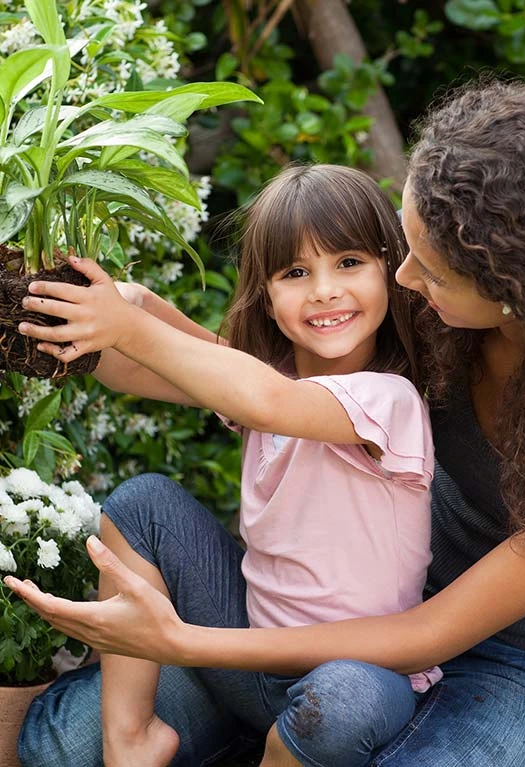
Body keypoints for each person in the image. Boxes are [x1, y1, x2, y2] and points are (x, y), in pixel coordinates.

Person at [7, 79, 525, 767]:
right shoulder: (426, 310)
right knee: (61, 744)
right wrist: (107, 319)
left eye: (433, 269)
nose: (406, 278)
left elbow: (423, 633)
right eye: (406, 243)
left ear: (518, 290)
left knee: (358, 715)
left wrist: (180, 641)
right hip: (342, 627)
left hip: (523, 664)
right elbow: (247, 382)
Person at [8, 163, 440, 767]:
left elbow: (266, 399)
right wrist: (106, 309)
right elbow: (135, 363)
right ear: (265, 294)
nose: (324, 290)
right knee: (142, 505)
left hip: (352, 671)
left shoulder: (389, 401)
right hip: (242, 646)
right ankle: (130, 742)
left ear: (391, 272)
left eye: (348, 263)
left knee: (345, 703)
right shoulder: (261, 384)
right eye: (295, 272)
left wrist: (131, 323)